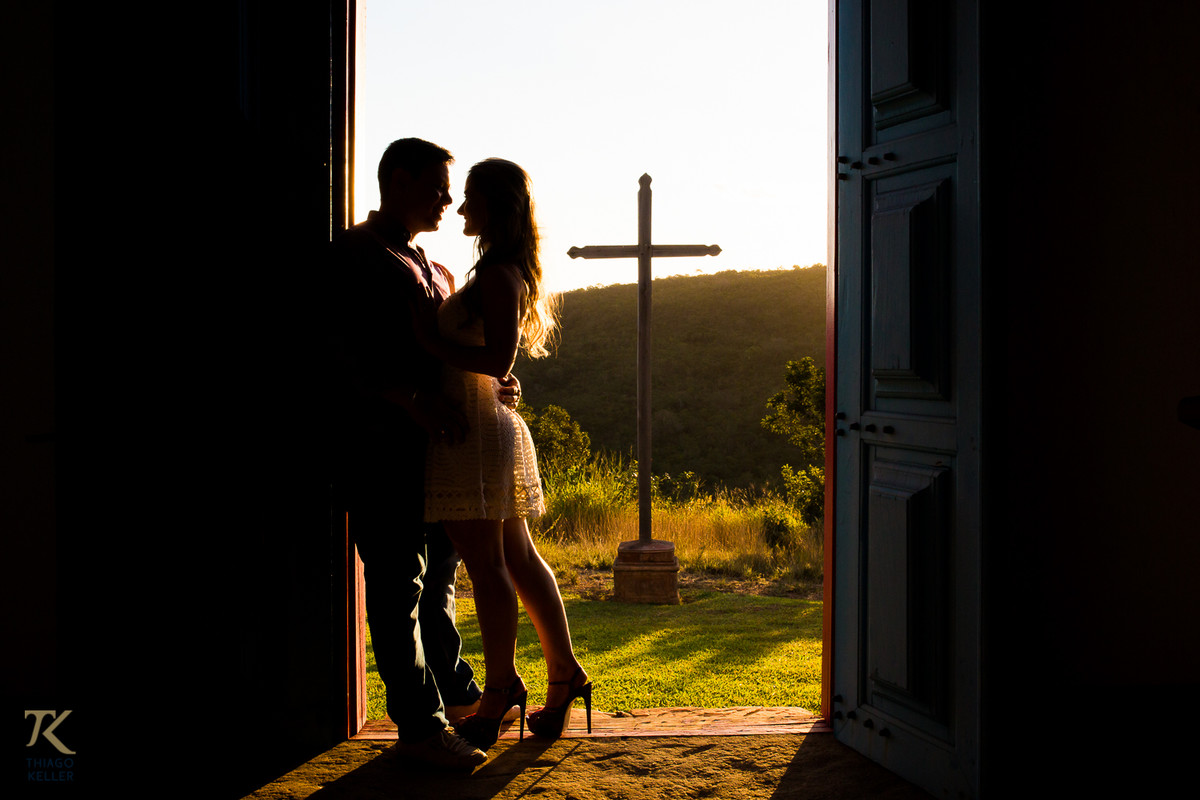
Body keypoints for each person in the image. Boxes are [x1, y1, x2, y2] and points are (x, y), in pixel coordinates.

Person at [327, 138, 521, 770]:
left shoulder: (430, 266)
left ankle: (458, 697)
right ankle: (420, 728)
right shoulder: (355, 256)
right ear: (399, 179)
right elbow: (336, 358)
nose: (447, 198)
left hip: (442, 460)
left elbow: (456, 354)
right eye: (438, 185)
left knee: (438, 583)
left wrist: (496, 380)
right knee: (396, 588)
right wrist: (408, 399)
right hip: (382, 452)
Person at [411, 158, 591, 751]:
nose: (461, 210)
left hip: (473, 436)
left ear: (497, 206)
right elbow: (496, 365)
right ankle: (563, 675)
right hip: (486, 425)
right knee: (516, 558)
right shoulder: (498, 269)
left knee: (489, 567)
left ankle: (500, 688)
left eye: (471, 200)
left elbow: (498, 362)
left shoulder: (497, 273)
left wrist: (429, 341)